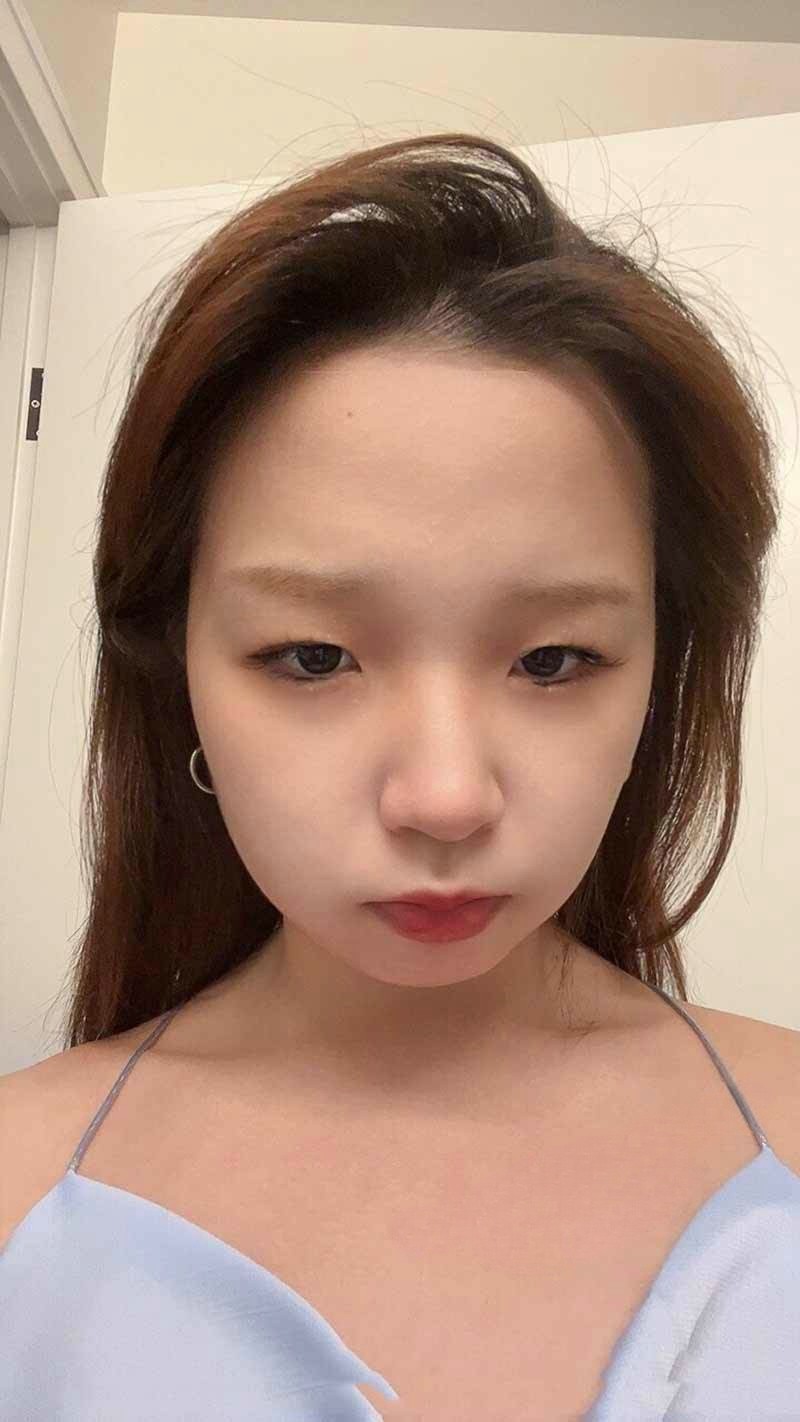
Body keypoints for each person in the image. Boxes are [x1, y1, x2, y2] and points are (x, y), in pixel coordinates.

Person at [1, 133, 799, 1420]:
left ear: (660, 670)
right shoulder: (19, 1189)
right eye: (313, 656)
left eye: (552, 660)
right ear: (177, 668)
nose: (444, 798)